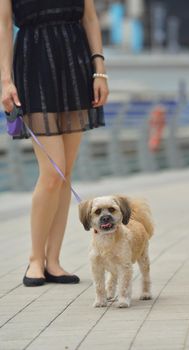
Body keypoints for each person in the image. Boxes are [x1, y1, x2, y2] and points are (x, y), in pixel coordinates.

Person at [0, 0, 109, 286]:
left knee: (65, 173)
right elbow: (4, 24)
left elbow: (90, 19)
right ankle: (35, 260)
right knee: (53, 172)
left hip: (75, 64)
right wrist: (5, 81)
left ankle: (54, 261)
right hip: (34, 65)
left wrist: (99, 70)